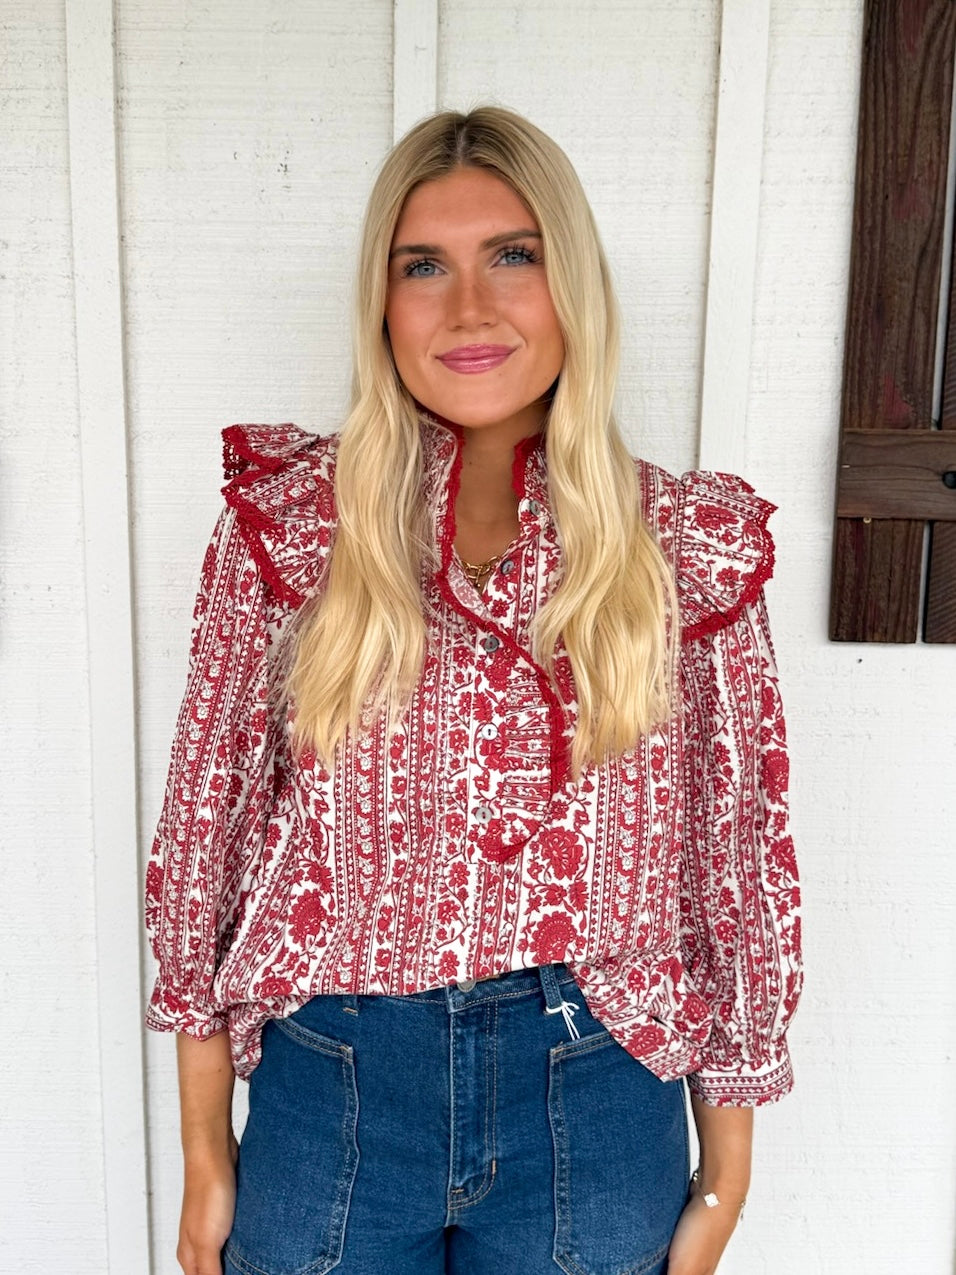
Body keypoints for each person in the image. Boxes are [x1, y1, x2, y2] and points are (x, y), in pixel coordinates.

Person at [145, 106, 802, 1275]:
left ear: (571, 282)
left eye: (512, 255)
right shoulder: (292, 529)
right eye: (422, 267)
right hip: (334, 1087)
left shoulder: (680, 549)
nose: (468, 308)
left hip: (596, 1089)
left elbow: (734, 857)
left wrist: (725, 1176)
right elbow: (207, 830)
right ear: (380, 302)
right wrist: (204, 1148)